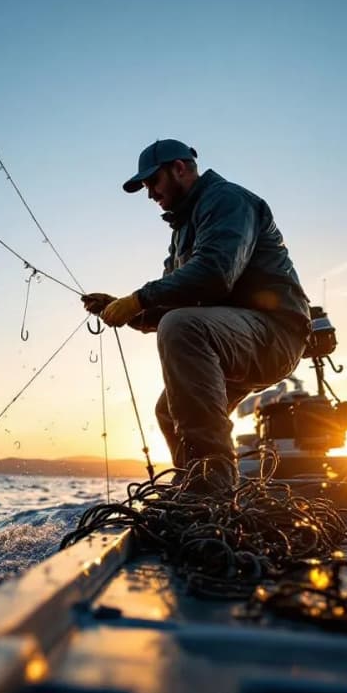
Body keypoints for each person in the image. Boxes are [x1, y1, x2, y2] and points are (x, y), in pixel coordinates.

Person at [82, 139, 310, 491]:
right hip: (232, 336)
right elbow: (170, 304)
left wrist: (138, 299)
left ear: (179, 168)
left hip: (275, 334)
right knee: (168, 410)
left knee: (181, 325)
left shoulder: (227, 200)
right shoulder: (182, 230)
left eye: (152, 182)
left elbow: (214, 273)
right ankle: (194, 485)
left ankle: (213, 490)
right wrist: (122, 307)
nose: (150, 194)